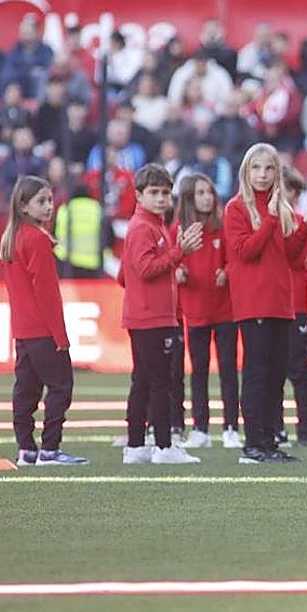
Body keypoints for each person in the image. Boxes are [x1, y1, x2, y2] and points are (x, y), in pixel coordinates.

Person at [225, 143, 307, 465]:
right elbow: (247, 251)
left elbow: (291, 256)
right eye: (256, 168)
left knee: (276, 375)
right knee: (258, 374)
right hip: (254, 303)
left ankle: (270, 440)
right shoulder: (236, 208)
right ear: (246, 172)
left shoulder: (281, 208)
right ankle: (253, 444)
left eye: (269, 168)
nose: (262, 175)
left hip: (280, 303)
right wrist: (271, 219)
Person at [0, 176, 89, 467]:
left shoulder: (12, 238)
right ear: (24, 205)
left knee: (26, 389)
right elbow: (47, 294)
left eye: (50, 200)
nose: (49, 206)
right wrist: (60, 337)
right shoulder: (37, 239)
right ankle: (50, 449)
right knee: (61, 386)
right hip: (42, 330)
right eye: (41, 201)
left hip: (23, 330)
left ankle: (26, 449)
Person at [119, 164, 204, 466]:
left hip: (146, 315)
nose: (161, 199)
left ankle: (136, 445)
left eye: (165, 193)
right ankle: (164, 446)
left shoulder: (149, 226)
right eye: (153, 193)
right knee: (160, 383)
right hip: (152, 318)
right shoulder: (144, 227)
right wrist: (178, 252)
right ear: (139, 196)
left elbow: (123, 275)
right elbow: (144, 269)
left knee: (143, 381)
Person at [173, 174, 241, 450]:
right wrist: (178, 271)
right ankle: (200, 428)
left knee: (228, 370)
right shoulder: (179, 228)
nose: (207, 198)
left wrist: (226, 271)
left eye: (209, 192)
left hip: (225, 311)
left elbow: (236, 259)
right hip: (195, 311)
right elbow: (172, 258)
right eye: (200, 193)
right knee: (198, 371)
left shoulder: (222, 226)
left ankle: (231, 427)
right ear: (189, 198)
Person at [280, 166, 307, 448]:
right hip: (272, 304)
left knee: (300, 371)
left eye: (290, 190)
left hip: (297, 305)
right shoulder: (265, 221)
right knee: (272, 372)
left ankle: (304, 430)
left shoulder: (303, 222)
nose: (285, 195)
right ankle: (275, 428)